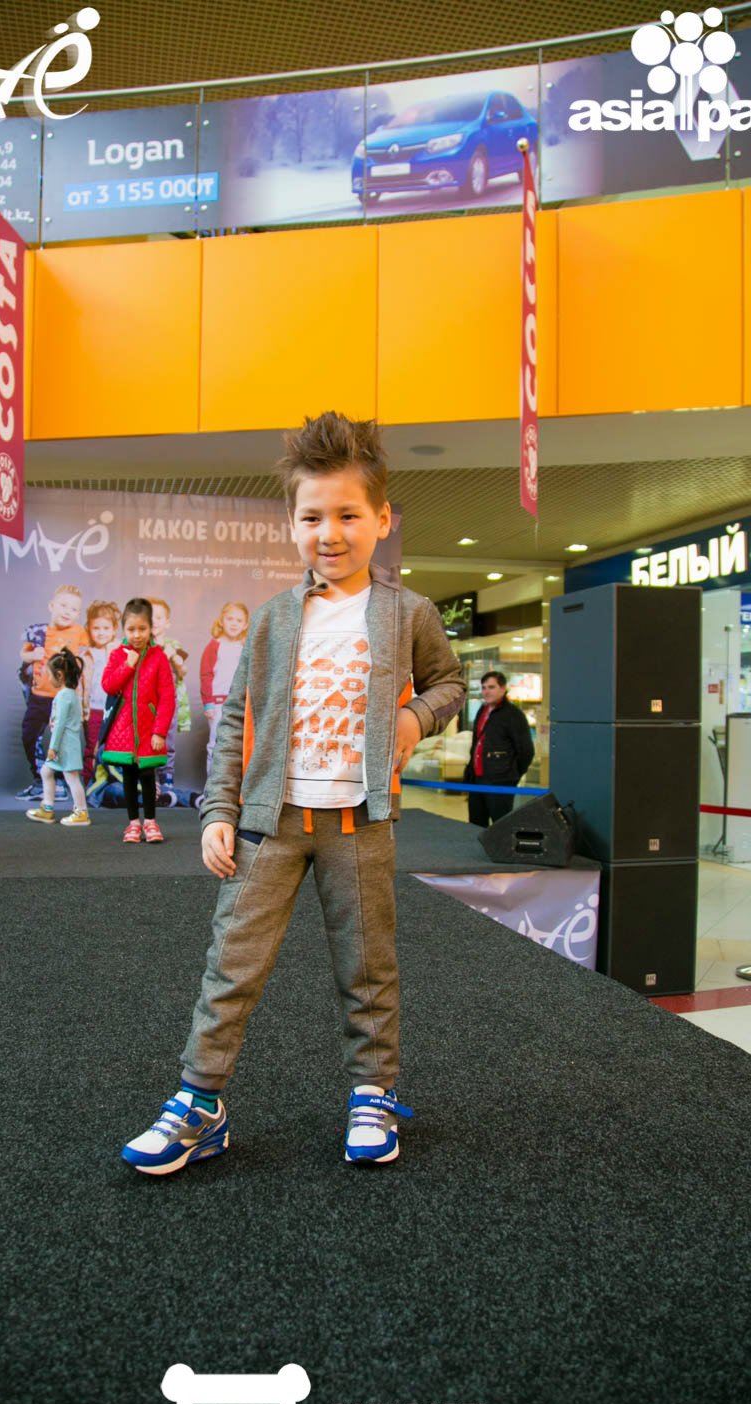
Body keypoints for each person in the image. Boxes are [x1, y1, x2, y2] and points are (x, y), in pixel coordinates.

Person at [121, 410, 466, 1177]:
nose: (329, 533)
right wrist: (218, 810)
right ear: (292, 524)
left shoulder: (408, 613)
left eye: (348, 514)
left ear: (382, 519)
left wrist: (415, 716)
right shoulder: (274, 619)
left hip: (359, 826)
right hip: (268, 824)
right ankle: (199, 1105)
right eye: (312, 517)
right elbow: (234, 721)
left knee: (368, 966)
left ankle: (373, 1094)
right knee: (231, 963)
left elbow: (449, 683)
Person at [101, 599, 175, 844]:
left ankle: (150, 822)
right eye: (131, 629)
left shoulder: (159, 657)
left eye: (142, 629)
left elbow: (167, 698)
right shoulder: (117, 655)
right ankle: (133, 823)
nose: (137, 635)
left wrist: (159, 731)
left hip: (148, 730)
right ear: (123, 629)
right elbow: (109, 686)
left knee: (147, 774)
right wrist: (127, 665)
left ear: (151, 628)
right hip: (123, 730)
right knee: (129, 777)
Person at [16, 583, 89, 802]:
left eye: (74, 609)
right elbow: (23, 654)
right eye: (63, 606)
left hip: (65, 697)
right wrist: (32, 656)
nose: (68, 612)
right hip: (40, 696)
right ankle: (41, 781)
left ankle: (62, 784)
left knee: (64, 741)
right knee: (30, 736)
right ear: (51, 606)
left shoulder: (79, 633)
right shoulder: (38, 632)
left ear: (78, 614)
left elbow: (91, 652)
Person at [25, 647, 91, 827]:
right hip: (63, 744)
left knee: (71, 777)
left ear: (60, 675)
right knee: (47, 771)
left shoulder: (64, 696)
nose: (47, 678)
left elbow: (60, 723)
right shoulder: (68, 695)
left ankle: (81, 812)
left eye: (49, 674)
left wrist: (53, 747)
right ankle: (47, 809)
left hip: (65, 745)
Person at [464, 670, 534, 827]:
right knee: (475, 824)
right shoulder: (482, 711)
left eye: (491, 687)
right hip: (477, 780)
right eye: (483, 687)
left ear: (503, 688)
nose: (486, 691)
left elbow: (526, 751)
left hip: (500, 781)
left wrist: (511, 774)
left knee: (501, 825)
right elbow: (476, 743)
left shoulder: (513, 715)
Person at [200, 601, 249, 777]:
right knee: (216, 744)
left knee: (237, 745)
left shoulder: (245, 648)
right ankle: (211, 787)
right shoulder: (214, 646)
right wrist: (208, 703)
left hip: (240, 704)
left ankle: (232, 787)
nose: (234, 624)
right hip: (218, 704)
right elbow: (206, 675)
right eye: (230, 619)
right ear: (222, 620)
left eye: (239, 620)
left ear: (245, 625)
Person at [148, 597, 191, 790]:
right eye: (150, 617)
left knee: (168, 738)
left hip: (169, 700)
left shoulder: (174, 645)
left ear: (167, 622)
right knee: (148, 738)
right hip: (148, 700)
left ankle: (167, 774)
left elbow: (182, 672)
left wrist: (174, 657)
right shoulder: (143, 645)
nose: (154, 621)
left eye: (159, 617)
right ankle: (150, 776)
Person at [81, 600, 120, 780]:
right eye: (96, 628)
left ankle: (111, 781)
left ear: (114, 629)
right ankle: (89, 783)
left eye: (106, 628)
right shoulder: (86, 655)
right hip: (94, 709)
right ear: (89, 629)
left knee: (114, 746)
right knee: (92, 747)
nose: (101, 632)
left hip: (115, 709)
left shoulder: (120, 651)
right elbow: (79, 685)